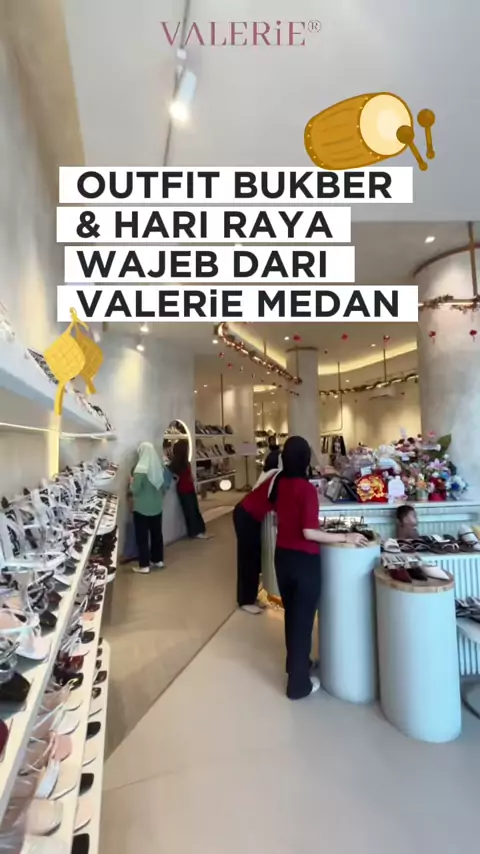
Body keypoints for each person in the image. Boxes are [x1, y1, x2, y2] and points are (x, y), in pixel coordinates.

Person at [269, 436, 368, 700]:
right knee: (302, 622)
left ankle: (296, 665)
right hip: (304, 561)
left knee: (293, 616)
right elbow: (309, 532)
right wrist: (346, 537)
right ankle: (298, 685)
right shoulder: (306, 489)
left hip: (283, 557)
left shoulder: (281, 483)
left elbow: (285, 521)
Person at [233, 453, 281, 615]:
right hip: (246, 515)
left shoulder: (272, 475)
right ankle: (245, 600)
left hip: (248, 515)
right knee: (248, 559)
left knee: (253, 558)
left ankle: (250, 597)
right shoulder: (278, 476)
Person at [131, 442, 172, 574]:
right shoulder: (159, 467)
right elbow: (165, 485)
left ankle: (144, 565)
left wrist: (130, 482)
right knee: (157, 535)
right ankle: (158, 560)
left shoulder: (140, 469)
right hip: (157, 507)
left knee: (142, 537)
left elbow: (135, 490)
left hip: (141, 508)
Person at [170, 439, 208, 539]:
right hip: (184, 490)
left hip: (189, 488)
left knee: (194, 509)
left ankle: (199, 530)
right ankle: (195, 532)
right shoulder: (176, 464)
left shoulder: (184, 462)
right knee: (190, 511)